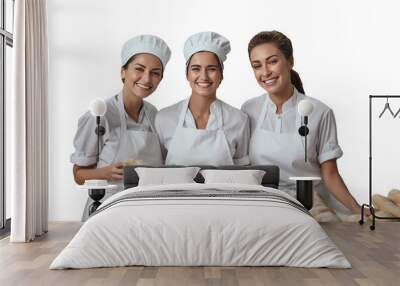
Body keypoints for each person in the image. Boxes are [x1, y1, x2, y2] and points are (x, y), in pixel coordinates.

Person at [241, 30, 365, 218]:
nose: (265, 72)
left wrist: (359, 211)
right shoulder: (249, 110)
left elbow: (330, 175)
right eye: (257, 66)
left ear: (290, 61)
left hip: (310, 204)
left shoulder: (321, 112)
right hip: (265, 203)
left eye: (272, 61)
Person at [71, 35, 171, 220]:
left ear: (161, 78)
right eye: (139, 69)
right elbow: (78, 174)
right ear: (123, 71)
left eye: (155, 72)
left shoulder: (154, 114)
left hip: (148, 209)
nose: (147, 78)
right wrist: (105, 173)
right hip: (107, 210)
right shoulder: (99, 114)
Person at [155, 31, 250, 166]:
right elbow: (158, 171)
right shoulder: (164, 118)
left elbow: (243, 173)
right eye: (196, 69)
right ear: (187, 74)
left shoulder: (239, 120)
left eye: (211, 69)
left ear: (221, 75)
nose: (204, 76)